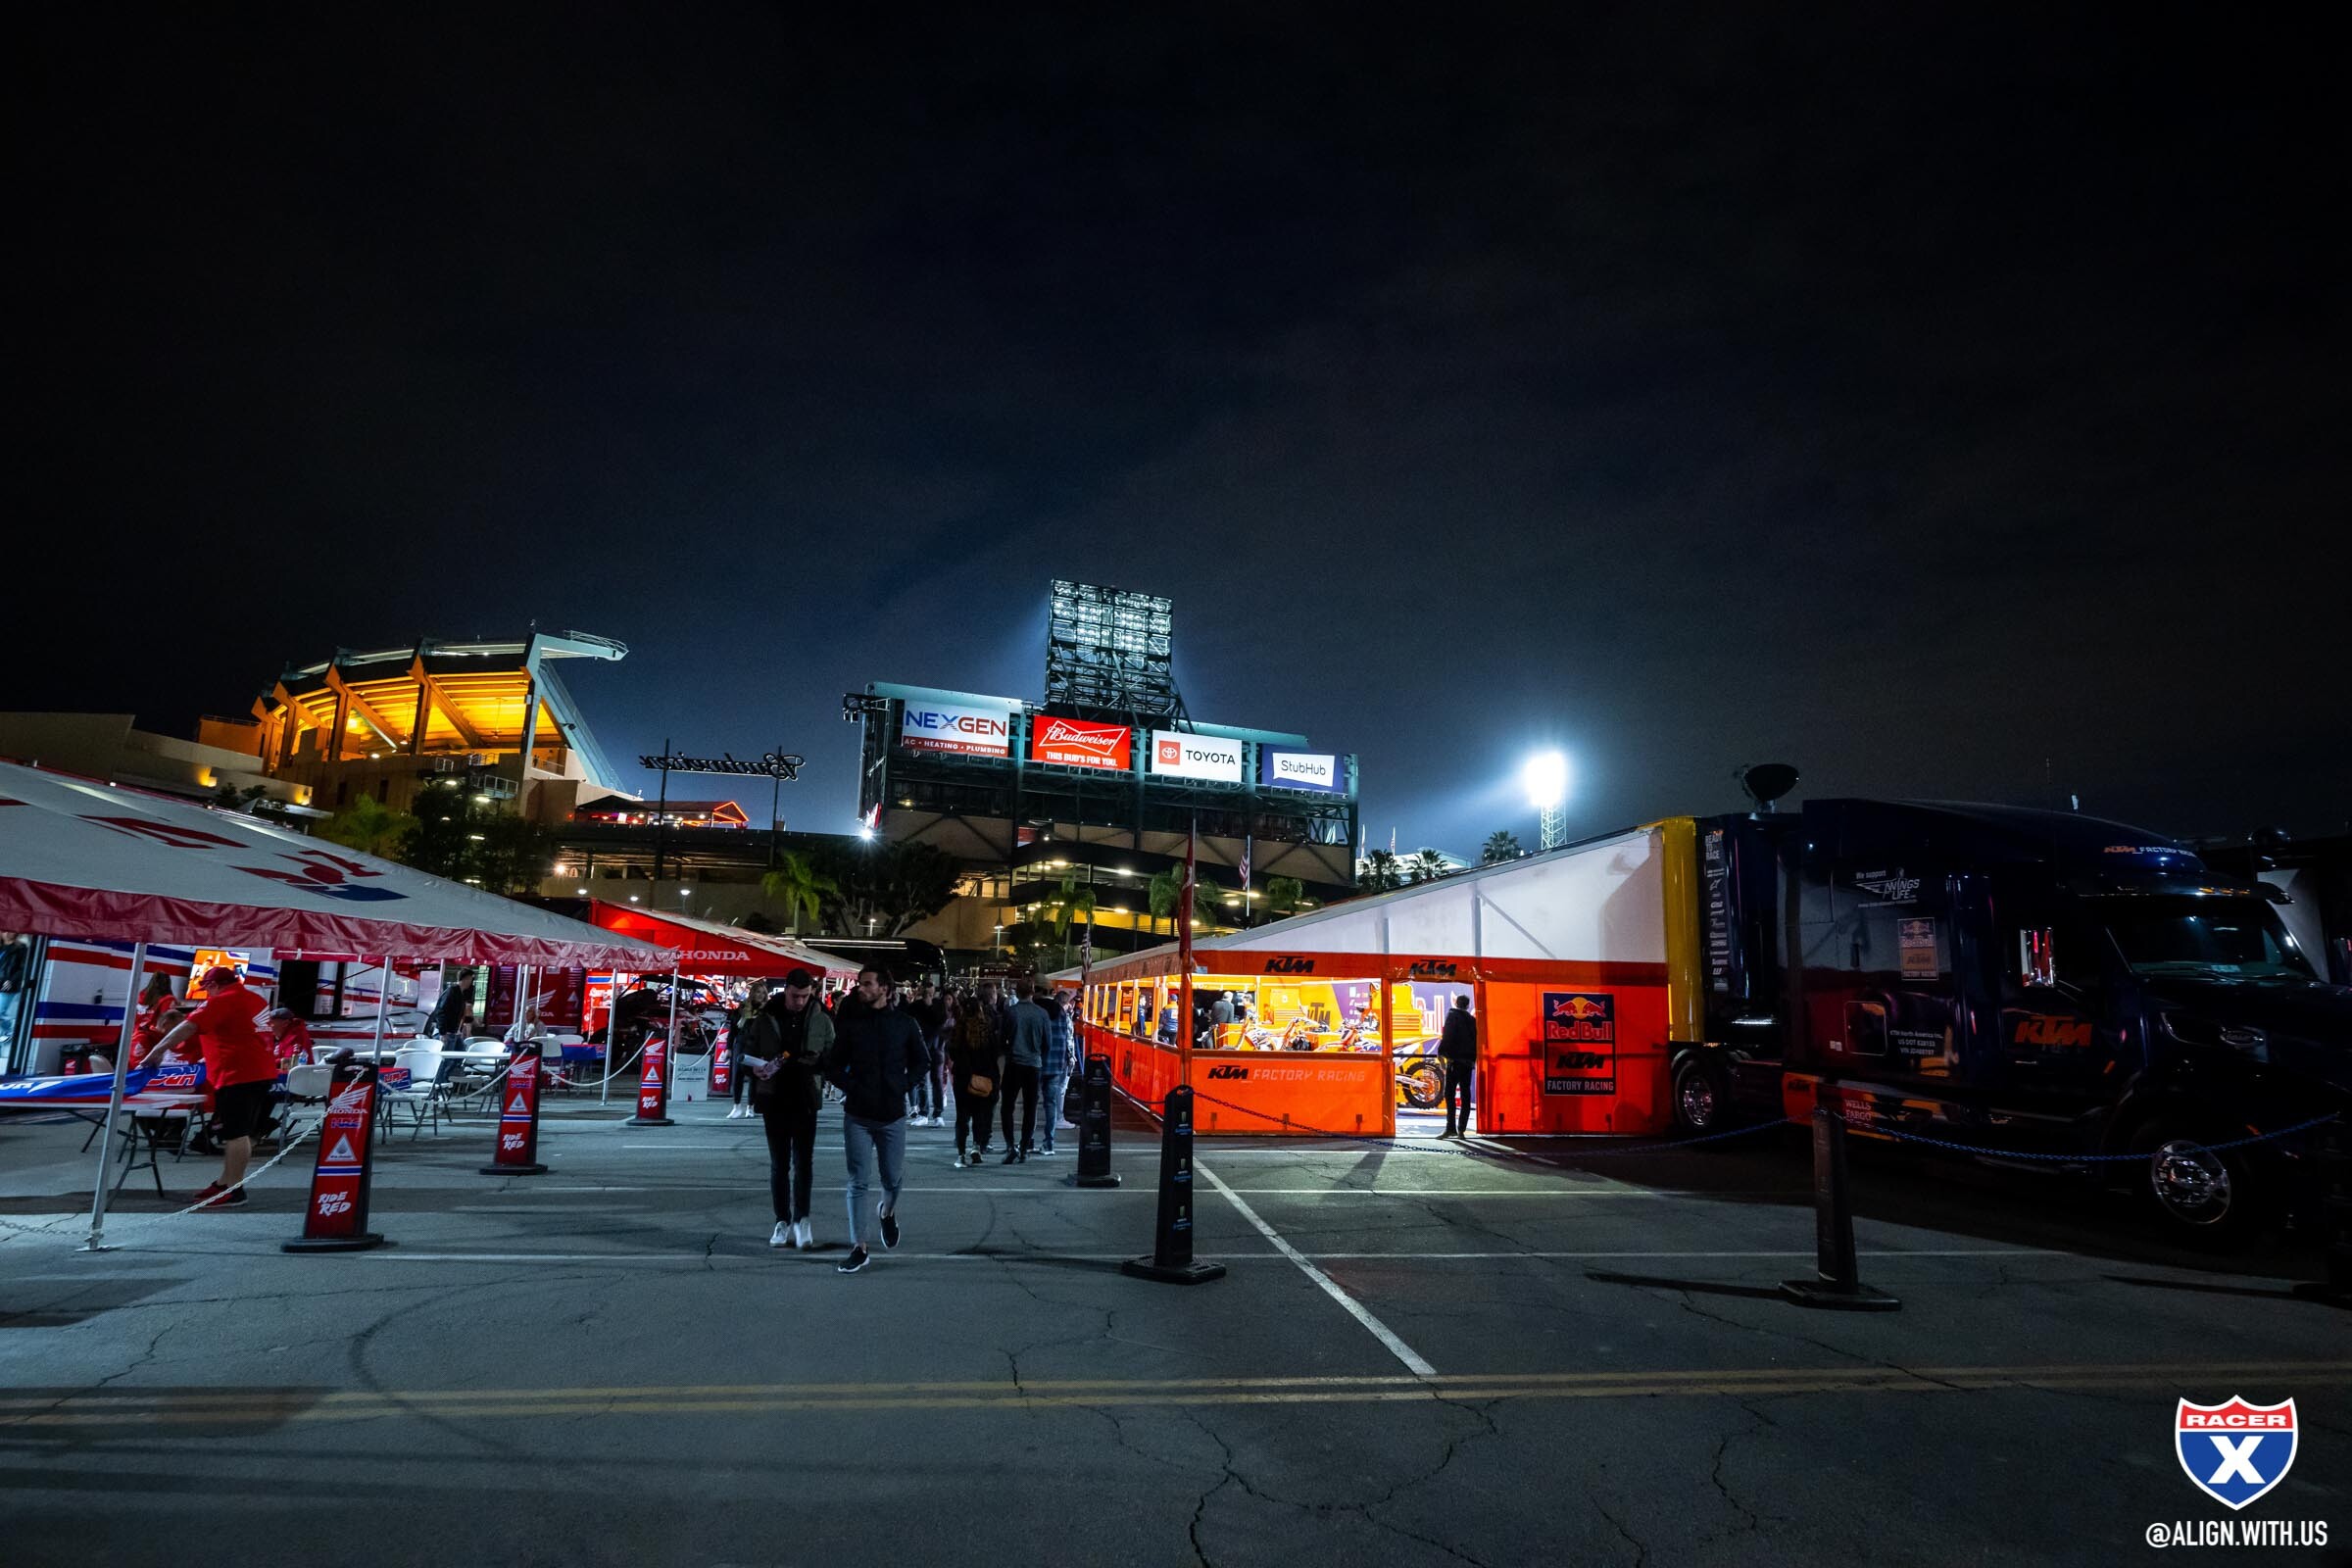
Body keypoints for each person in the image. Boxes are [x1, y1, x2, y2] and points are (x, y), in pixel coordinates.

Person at [821, 965, 928, 1275]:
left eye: (867, 984)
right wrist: (852, 1086)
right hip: (857, 1115)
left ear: (885, 989)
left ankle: (887, 1211)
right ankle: (859, 1247)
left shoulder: (904, 1024)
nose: (860, 989)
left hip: (892, 1114)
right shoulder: (852, 1025)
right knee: (857, 1181)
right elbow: (833, 1066)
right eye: (859, 984)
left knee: (892, 1178)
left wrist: (904, 1085)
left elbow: (923, 1061)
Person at [148, 965, 279, 1206]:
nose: (207, 994)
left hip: (237, 1074)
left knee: (235, 1134)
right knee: (239, 1133)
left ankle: (233, 1188)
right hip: (260, 1072)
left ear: (212, 986)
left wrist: (158, 1050)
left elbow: (189, 1026)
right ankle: (226, 1181)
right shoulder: (256, 999)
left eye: (207, 989)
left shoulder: (222, 1001)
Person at [745, 969, 832, 1249]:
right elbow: (744, 1051)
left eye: (805, 996)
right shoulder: (765, 1018)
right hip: (775, 1097)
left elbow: (834, 1053)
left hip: (806, 1097)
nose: (800, 1001)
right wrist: (754, 1069)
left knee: (803, 1163)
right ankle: (782, 1221)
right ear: (786, 991)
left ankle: (802, 1219)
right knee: (779, 1164)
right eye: (795, 996)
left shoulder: (821, 1018)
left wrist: (818, 1064)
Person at [947, 986, 1001, 1166]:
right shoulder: (986, 1031)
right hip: (982, 1078)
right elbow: (995, 1053)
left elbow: (952, 1052)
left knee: (962, 1117)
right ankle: (976, 1146)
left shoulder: (958, 1031)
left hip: (963, 1078)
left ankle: (961, 1154)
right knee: (980, 1114)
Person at [1000, 979, 1049, 1162]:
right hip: (1033, 1065)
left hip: (1014, 1063)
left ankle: (1010, 1145)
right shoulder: (1042, 1014)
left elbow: (1002, 1038)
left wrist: (1009, 1051)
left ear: (1017, 992)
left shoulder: (1011, 1012)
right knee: (1030, 1108)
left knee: (1007, 1107)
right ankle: (1024, 1147)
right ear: (1033, 992)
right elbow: (1047, 1043)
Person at [1037, 987, 1075, 1154]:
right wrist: (1070, 1059)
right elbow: (1068, 1040)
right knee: (1050, 1103)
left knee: (1031, 1103)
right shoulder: (1063, 1017)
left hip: (1037, 1064)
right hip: (1055, 1065)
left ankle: (1028, 1141)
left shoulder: (1039, 1015)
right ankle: (1049, 1143)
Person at [725, 980, 769, 1120]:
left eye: (763, 993)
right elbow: (732, 1030)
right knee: (737, 1074)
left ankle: (750, 1107)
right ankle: (736, 1106)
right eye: (758, 992)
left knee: (754, 1076)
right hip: (741, 1043)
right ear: (752, 993)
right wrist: (728, 1047)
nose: (760, 995)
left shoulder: (767, 1011)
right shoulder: (741, 1008)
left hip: (758, 1046)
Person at [906, 979, 948, 1126]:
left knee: (936, 1080)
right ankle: (923, 1113)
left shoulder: (938, 1005)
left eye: (931, 993)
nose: (928, 996)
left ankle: (938, 1114)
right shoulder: (915, 1006)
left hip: (935, 1048)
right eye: (926, 993)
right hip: (919, 1048)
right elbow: (908, 1020)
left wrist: (929, 1005)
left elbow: (940, 1020)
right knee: (921, 1082)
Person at [1438, 995, 1479, 1138]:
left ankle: (1450, 1128)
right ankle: (1462, 1129)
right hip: (1467, 1063)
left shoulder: (1452, 1015)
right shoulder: (1472, 1020)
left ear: (1456, 1003)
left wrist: (1441, 1053)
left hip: (1454, 1061)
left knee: (1449, 1094)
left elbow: (1447, 1036)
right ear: (1467, 1006)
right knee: (1466, 1095)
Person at [130, 974, 182, 1067]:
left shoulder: (141, 996)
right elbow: (168, 1016)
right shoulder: (168, 999)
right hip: (153, 1037)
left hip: (137, 1033)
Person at [431, 974, 475, 1053]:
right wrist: (443, 1032)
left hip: (454, 1032)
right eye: (470, 980)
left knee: (458, 1056)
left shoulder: (461, 994)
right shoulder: (452, 992)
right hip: (448, 1032)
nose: (470, 983)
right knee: (446, 1058)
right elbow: (441, 1012)